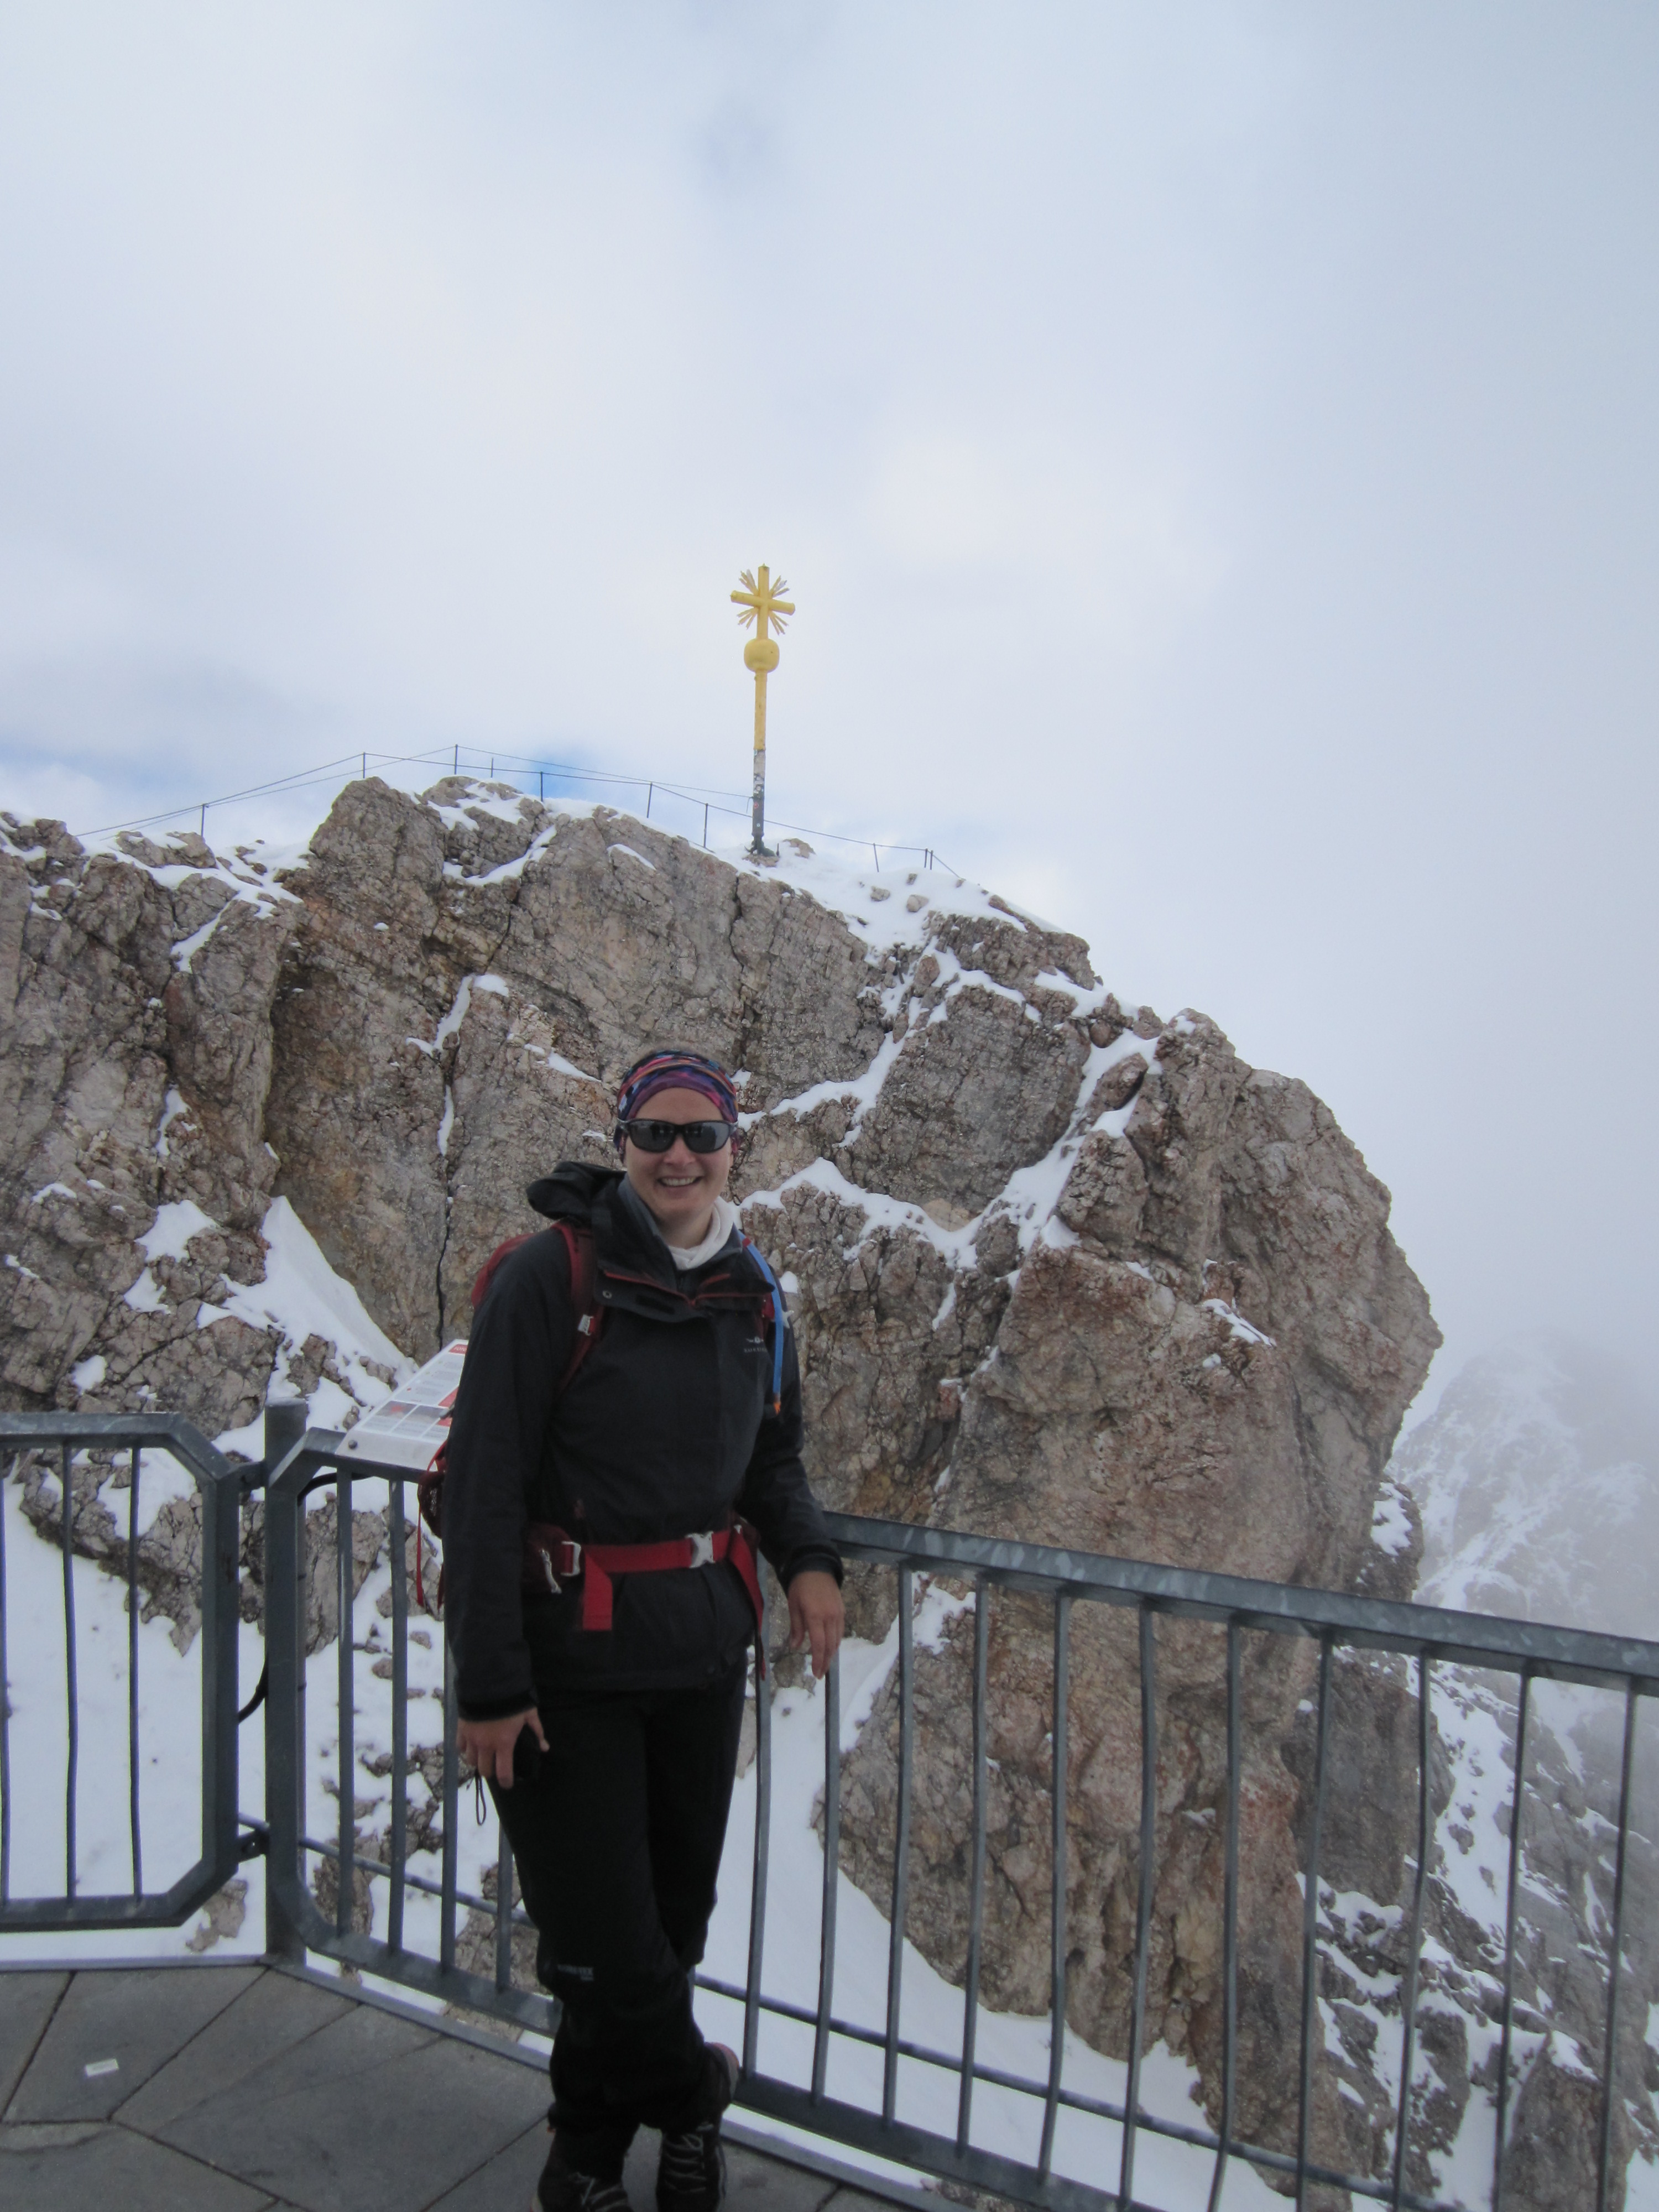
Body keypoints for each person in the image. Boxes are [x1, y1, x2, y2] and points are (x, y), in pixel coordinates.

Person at [442, 1047, 846, 2212]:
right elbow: (484, 1485)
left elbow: (772, 1460)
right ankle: (693, 2095)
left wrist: (809, 1556)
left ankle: (581, 2154)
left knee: (669, 1923)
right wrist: (487, 1684)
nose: (679, 1155)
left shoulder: (753, 1293)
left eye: (701, 1135)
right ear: (621, 1139)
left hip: (699, 1655)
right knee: (607, 1942)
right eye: (655, 1132)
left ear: (733, 1148)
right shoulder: (547, 1276)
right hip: (563, 1664)